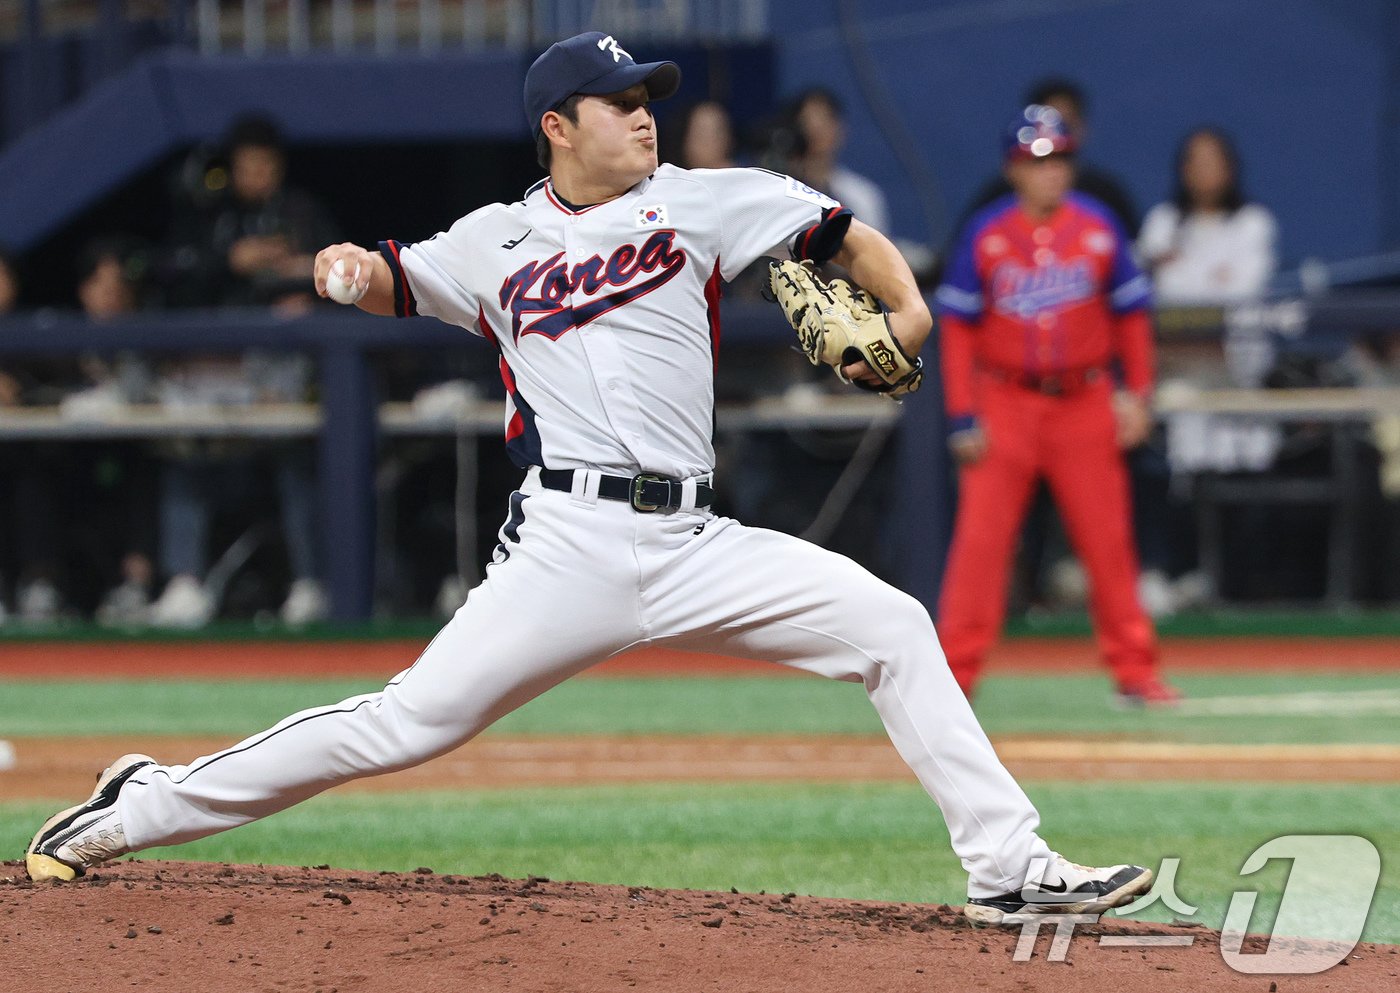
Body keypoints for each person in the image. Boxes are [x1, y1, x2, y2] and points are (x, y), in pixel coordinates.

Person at [26, 33, 1153, 925]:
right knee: (404, 725)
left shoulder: (703, 199)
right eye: (621, 102)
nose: (644, 114)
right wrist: (344, 268)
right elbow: (394, 280)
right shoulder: (494, 239)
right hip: (564, 545)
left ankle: (1007, 867)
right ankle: (145, 804)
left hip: (695, 543)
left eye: (647, 96)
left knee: (892, 628)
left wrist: (904, 311)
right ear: (558, 127)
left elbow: (843, 236)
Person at [934, 105, 1179, 707]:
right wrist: (963, 413)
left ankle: (1135, 673)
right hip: (1006, 400)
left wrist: (1137, 395)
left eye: (1060, 160)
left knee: (1107, 544)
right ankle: (952, 681)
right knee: (980, 547)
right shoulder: (988, 232)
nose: (1051, 173)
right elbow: (959, 328)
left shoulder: (1097, 225)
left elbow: (1132, 316)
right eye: (1037, 162)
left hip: (1084, 400)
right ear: (1013, 169)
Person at [146, 115, 331, 627]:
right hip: (212, 375)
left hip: (282, 376)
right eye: (247, 166)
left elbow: (346, 277)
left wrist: (302, 277)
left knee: (298, 459)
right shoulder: (208, 216)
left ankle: (309, 583)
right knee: (184, 454)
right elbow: (170, 278)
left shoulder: (300, 214)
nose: (256, 176)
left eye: (264, 166)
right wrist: (230, 262)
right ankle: (184, 582)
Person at [959, 78, 1138, 238]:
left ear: (1083, 128)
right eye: (1038, 162)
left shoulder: (1103, 201)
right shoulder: (992, 213)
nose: (1055, 133)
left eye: (1066, 123)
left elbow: (1134, 265)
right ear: (1012, 169)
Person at [1136, 127, 1277, 305]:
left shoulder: (1254, 221)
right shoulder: (1162, 219)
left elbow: (1245, 291)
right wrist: (1214, 276)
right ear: (1183, 169)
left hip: (1235, 333)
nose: (1203, 170)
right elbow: (1145, 285)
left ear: (1229, 168)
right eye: (1196, 162)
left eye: (1211, 161)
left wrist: (1177, 270)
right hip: (1170, 331)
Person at [789, 87, 891, 235]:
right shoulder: (782, 191)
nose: (815, 131)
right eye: (807, 123)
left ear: (839, 129)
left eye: (823, 122)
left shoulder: (861, 196)